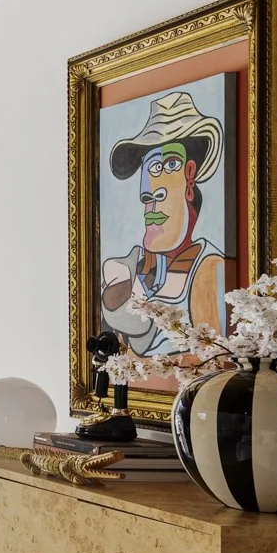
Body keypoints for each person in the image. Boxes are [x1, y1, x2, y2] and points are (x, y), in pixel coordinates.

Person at [99, 90, 228, 356]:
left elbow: (211, 363)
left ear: (190, 178)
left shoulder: (208, 269)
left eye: (168, 165)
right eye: (150, 167)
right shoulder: (128, 268)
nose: (149, 191)